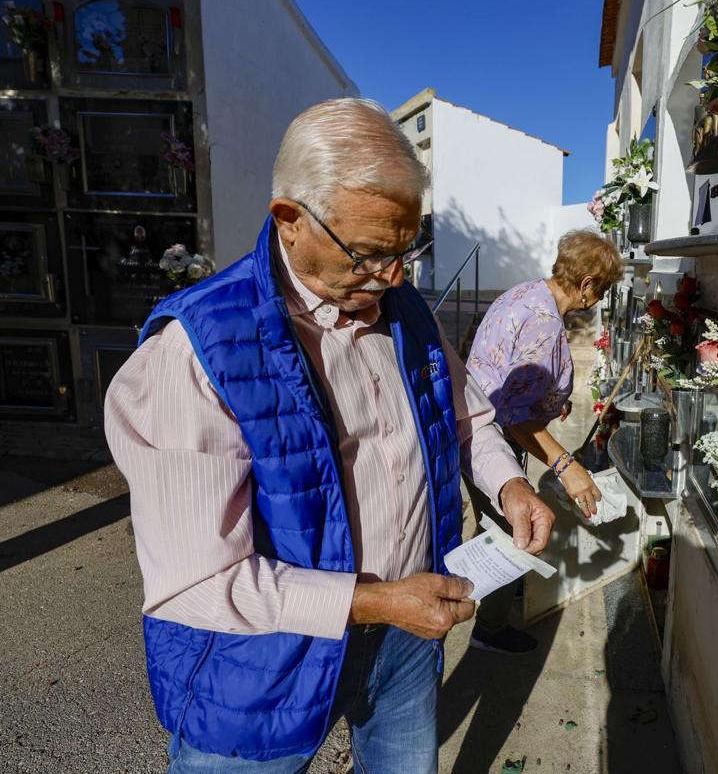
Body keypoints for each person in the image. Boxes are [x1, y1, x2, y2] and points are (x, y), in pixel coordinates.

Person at [104, 98, 555, 773]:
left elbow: (468, 418)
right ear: (291, 222)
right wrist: (373, 601)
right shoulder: (197, 349)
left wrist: (508, 479)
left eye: (408, 249)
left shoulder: (404, 312)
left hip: (405, 637)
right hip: (264, 660)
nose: (396, 276)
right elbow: (194, 583)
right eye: (372, 253)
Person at [463, 230, 623, 653]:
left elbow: (519, 379)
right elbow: (514, 416)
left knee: (501, 526)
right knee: (513, 531)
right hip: (489, 438)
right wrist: (568, 467)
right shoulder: (545, 322)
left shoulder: (526, 293)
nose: (600, 298)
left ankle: (501, 589)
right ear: (588, 283)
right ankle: (489, 629)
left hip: (478, 427)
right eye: (602, 288)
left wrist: (553, 401)